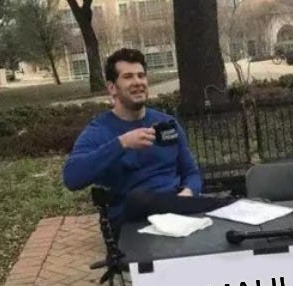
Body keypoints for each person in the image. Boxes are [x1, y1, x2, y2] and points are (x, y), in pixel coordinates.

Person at [64, 48, 227, 234]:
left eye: (141, 76)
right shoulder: (99, 131)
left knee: (222, 217)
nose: (138, 82)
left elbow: (191, 173)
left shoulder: (167, 124)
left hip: (177, 213)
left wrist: (187, 193)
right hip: (132, 222)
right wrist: (122, 143)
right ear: (112, 88)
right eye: (128, 77)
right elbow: (72, 178)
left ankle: (227, 205)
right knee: (139, 199)